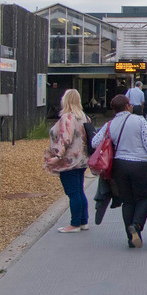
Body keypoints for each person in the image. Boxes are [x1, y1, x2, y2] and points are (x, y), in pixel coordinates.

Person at [92, 94, 147, 248]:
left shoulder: (110, 124)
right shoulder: (139, 120)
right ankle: (137, 226)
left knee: (128, 201)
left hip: (119, 166)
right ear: (127, 106)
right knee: (144, 198)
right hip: (140, 166)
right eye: (130, 104)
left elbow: (95, 142)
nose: (132, 106)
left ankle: (130, 238)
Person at [43, 89, 91, 233]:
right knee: (79, 191)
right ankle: (83, 221)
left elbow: (65, 139)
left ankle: (74, 224)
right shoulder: (84, 117)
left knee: (73, 193)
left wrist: (57, 156)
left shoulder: (67, 118)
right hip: (82, 160)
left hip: (68, 161)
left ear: (65, 100)